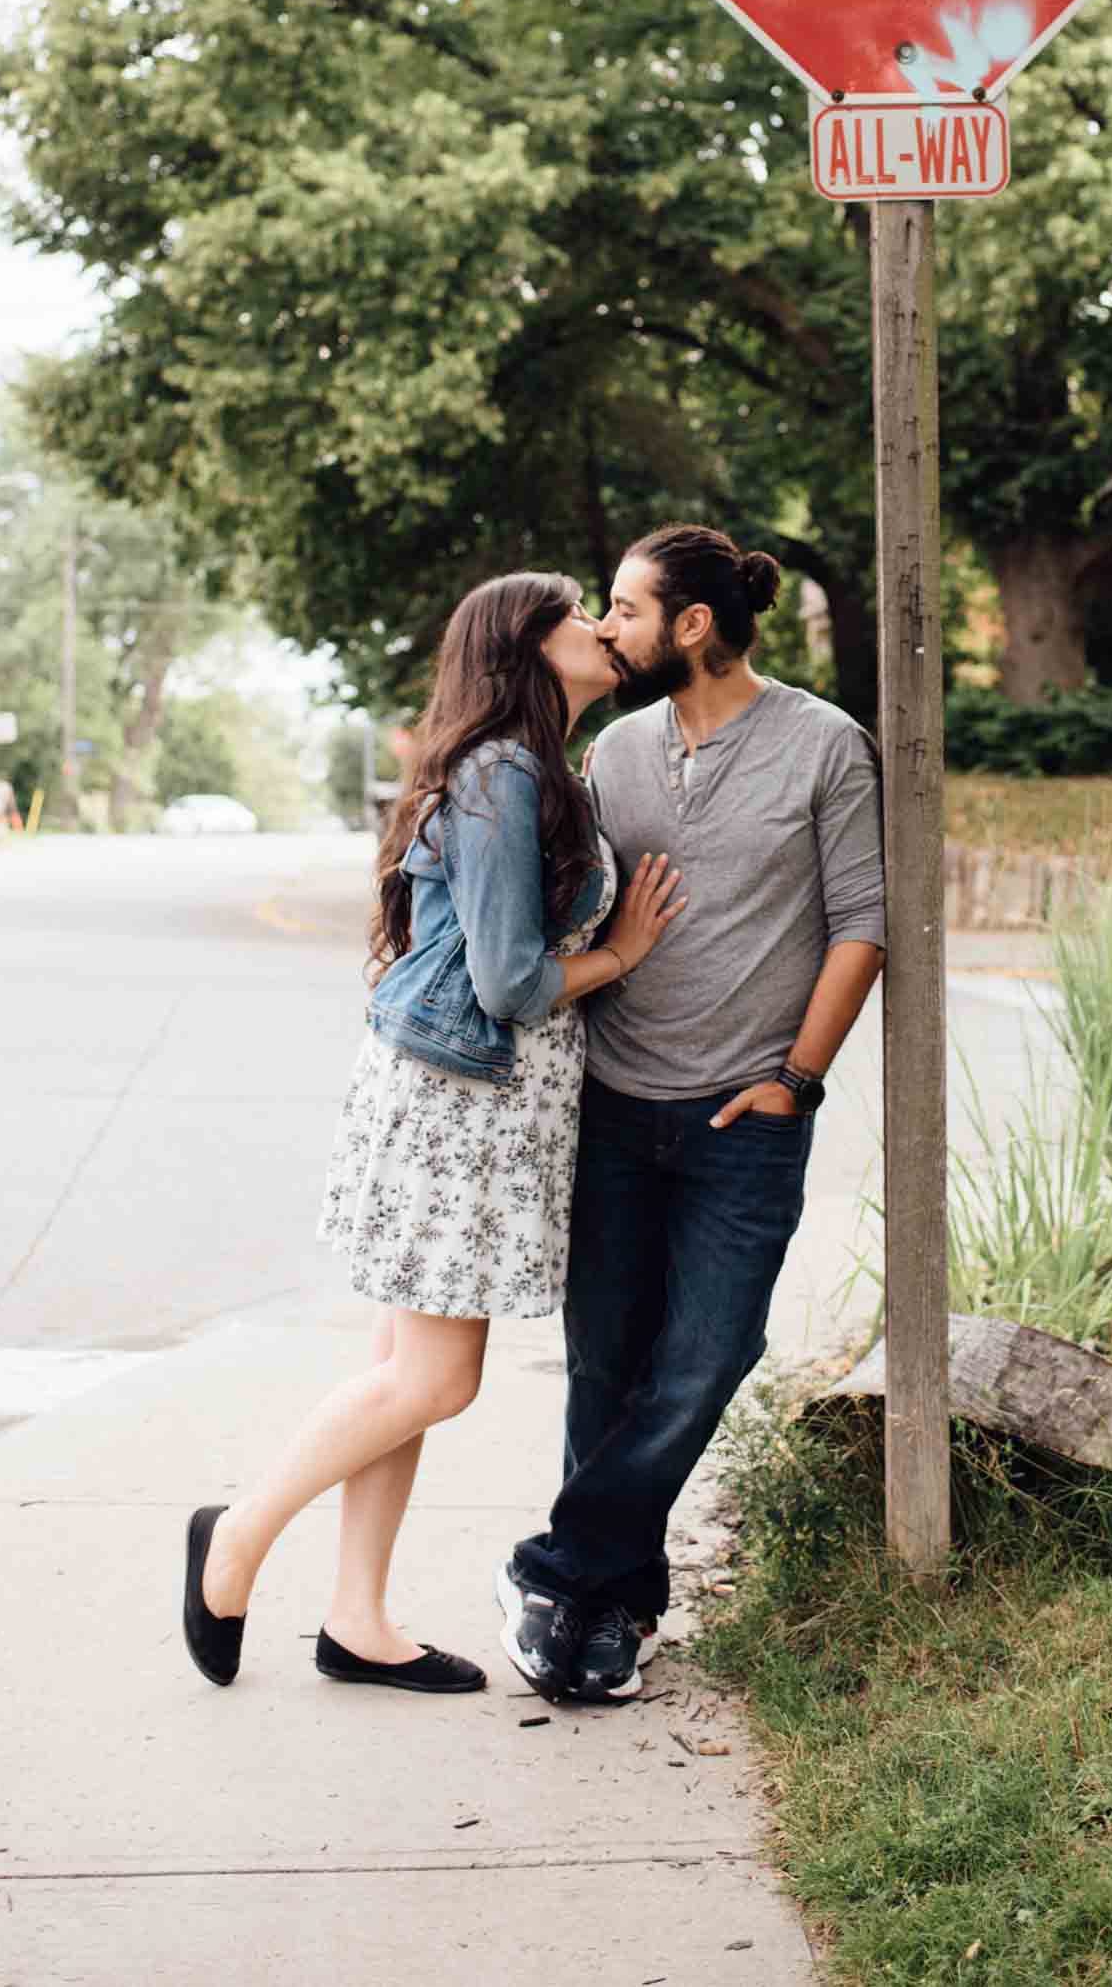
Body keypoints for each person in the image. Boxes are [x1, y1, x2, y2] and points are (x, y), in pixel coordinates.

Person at [182, 571, 684, 1697]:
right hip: (461, 1101)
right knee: (438, 1380)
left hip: (476, 1100)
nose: (604, 627)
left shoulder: (539, 768)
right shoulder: (503, 771)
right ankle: (237, 1536)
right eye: (578, 613)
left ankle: (355, 1616)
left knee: (402, 1369)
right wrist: (622, 952)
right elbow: (508, 979)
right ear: (523, 643)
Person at [497, 523, 886, 1706]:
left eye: (622, 606)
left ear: (693, 624)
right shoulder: (612, 752)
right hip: (612, 1106)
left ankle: (556, 1567)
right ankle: (609, 1608)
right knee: (602, 1364)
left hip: (745, 1118)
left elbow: (861, 923)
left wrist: (796, 1078)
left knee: (710, 1351)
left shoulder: (824, 745)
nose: (607, 626)